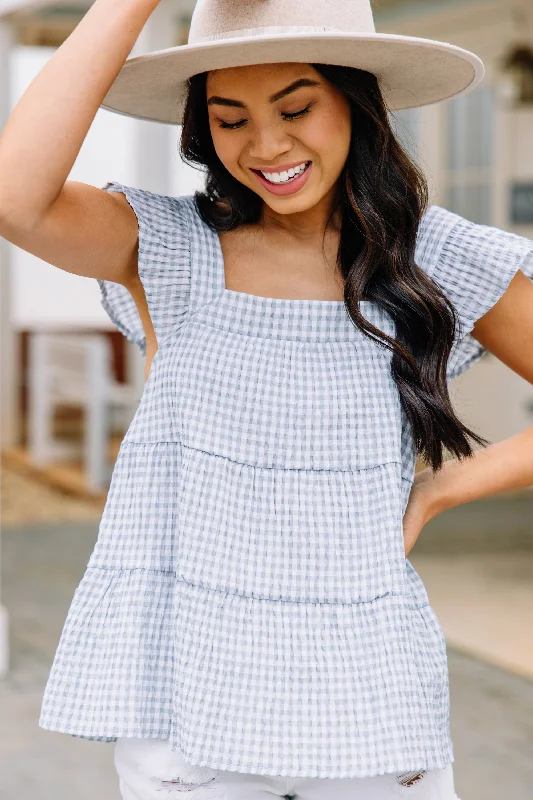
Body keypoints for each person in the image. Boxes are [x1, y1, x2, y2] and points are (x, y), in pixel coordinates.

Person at [0, 0, 532, 798]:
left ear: (355, 101)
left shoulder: (436, 257)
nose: (267, 145)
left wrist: (440, 489)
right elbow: (16, 199)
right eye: (229, 118)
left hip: (368, 706)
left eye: (296, 107)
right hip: (188, 711)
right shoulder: (168, 246)